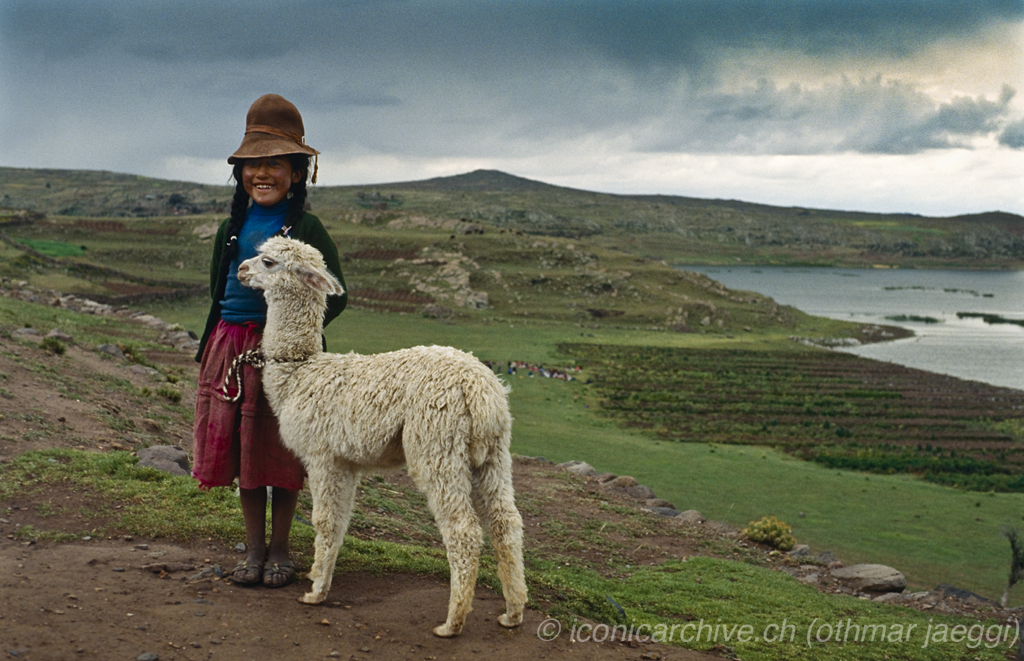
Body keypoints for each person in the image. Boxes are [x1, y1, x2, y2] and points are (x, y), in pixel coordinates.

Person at [192, 94, 347, 588]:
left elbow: (335, 293)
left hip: (285, 358)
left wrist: (293, 328)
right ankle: (253, 549)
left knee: (282, 452)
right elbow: (219, 291)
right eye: (251, 163)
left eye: (274, 163)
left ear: (298, 173)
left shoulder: (307, 228)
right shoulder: (230, 230)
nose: (261, 173)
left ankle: (282, 549)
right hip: (230, 350)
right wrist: (211, 351)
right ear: (240, 172)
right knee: (245, 454)